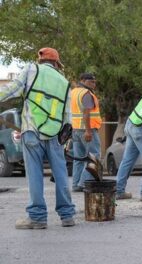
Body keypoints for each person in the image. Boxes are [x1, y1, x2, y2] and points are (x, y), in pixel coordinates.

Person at [0, 47, 76, 229]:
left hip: (32, 130)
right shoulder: (64, 82)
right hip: (56, 134)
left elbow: (11, 89)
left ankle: (37, 218)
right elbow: (67, 116)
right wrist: (65, 139)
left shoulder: (32, 69)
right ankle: (67, 215)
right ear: (57, 63)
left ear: (40, 60)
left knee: (35, 174)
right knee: (60, 174)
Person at [70, 73, 102, 192]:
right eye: (91, 81)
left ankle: (76, 185)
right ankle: (84, 183)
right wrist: (88, 131)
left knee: (78, 159)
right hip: (87, 130)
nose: (94, 84)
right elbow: (86, 113)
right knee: (94, 156)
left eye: (95, 81)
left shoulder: (73, 92)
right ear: (83, 80)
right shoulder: (86, 94)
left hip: (76, 130)